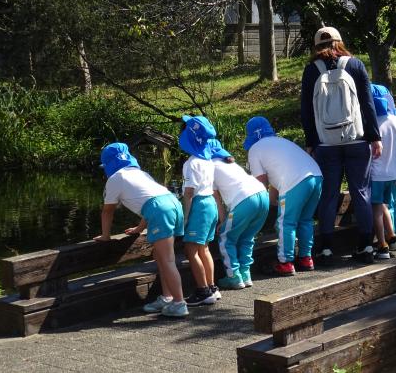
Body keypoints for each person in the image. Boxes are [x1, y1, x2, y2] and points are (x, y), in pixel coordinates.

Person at [300, 26, 382, 265]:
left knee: (329, 194)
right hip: (357, 139)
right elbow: (367, 103)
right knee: (361, 191)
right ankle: (366, 245)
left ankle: (325, 249)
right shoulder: (355, 65)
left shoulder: (311, 70)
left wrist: (311, 142)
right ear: (340, 42)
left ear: (316, 46)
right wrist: (374, 137)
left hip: (326, 143)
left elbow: (306, 109)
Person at [94, 143, 188, 318]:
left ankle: (179, 303)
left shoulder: (115, 178)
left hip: (160, 210)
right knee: (160, 256)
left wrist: (106, 235)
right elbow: (151, 200)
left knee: (167, 260)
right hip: (173, 203)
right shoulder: (140, 173)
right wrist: (139, 228)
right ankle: (167, 297)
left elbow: (107, 211)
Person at [244, 116, 323, 274]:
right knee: (305, 220)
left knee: (285, 222)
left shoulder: (255, 149)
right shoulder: (281, 141)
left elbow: (261, 182)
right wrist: (272, 199)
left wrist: (260, 206)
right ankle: (306, 258)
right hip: (316, 176)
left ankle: (285, 262)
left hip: (295, 181)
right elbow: (276, 176)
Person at [209, 139, 269, 290]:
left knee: (225, 237)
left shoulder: (209, 166)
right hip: (262, 194)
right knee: (247, 237)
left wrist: (223, 220)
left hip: (245, 200)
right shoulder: (230, 163)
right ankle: (246, 274)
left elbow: (216, 198)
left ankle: (234, 277)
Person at [179, 115, 219, 306]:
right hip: (210, 203)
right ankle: (212, 287)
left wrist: (185, 219)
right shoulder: (208, 159)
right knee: (204, 248)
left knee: (191, 249)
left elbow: (188, 194)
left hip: (199, 206)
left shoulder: (191, 163)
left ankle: (203, 291)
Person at [370, 84, 396, 259]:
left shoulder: (370, 123)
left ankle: (382, 244)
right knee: (385, 204)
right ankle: (392, 236)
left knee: (376, 208)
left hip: (377, 174)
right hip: (394, 172)